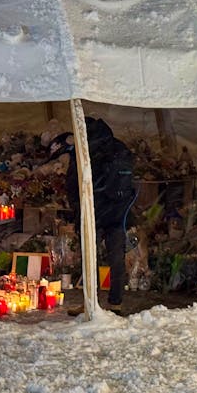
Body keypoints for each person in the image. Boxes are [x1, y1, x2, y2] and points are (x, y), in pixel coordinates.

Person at [62, 118, 136, 315]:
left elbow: (74, 184)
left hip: (94, 212)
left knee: (90, 258)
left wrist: (77, 212)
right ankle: (116, 303)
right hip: (118, 212)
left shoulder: (87, 150)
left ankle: (90, 303)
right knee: (116, 258)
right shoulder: (116, 146)